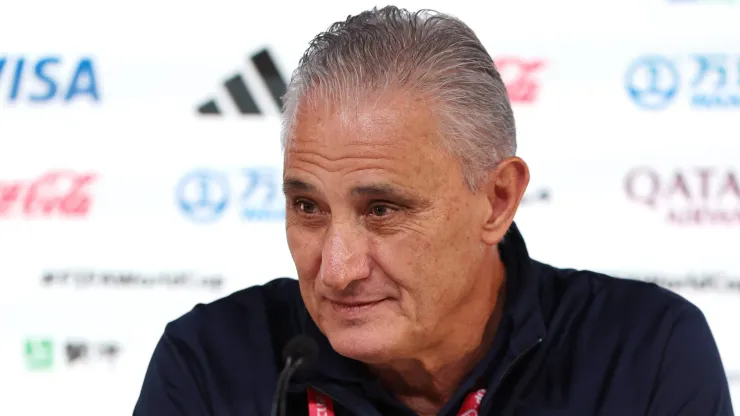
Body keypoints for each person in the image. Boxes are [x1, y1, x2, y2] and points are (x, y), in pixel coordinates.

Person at [133, 6, 734, 416]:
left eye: (383, 210)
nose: (337, 271)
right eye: (308, 206)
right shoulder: (209, 365)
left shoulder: (645, 354)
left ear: (497, 200)